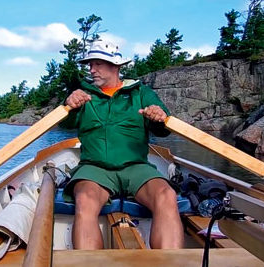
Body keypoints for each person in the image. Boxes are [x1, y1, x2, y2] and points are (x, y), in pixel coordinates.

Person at [60, 40, 185, 249]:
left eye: (98, 64)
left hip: (136, 167)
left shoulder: (141, 93)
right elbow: (66, 124)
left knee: (166, 195)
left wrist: (159, 116)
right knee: (85, 200)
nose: (92, 70)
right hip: (94, 168)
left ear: (116, 66)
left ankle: (170, 262)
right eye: (90, 65)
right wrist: (68, 104)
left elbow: (163, 130)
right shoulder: (82, 94)